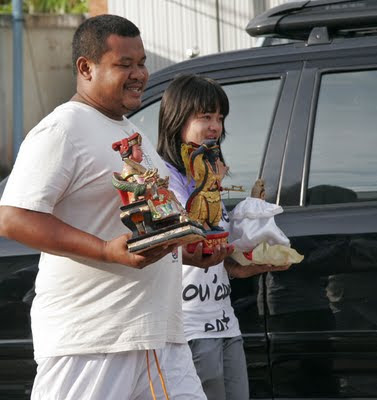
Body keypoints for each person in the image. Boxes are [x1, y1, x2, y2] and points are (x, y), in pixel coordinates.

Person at [0, 16, 208, 400]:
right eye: (124, 64)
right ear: (86, 68)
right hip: (92, 341)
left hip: (156, 337)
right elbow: (12, 218)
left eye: (141, 62)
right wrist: (105, 251)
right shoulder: (63, 129)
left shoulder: (132, 132)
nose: (139, 74)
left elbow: (148, 224)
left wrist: (197, 252)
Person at [157, 74, 290, 400]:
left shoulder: (209, 175)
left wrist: (245, 263)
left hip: (223, 321)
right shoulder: (163, 181)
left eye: (220, 118)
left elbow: (216, 254)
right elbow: (177, 250)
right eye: (205, 116)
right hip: (188, 326)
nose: (215, 126)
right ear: (177, 119)